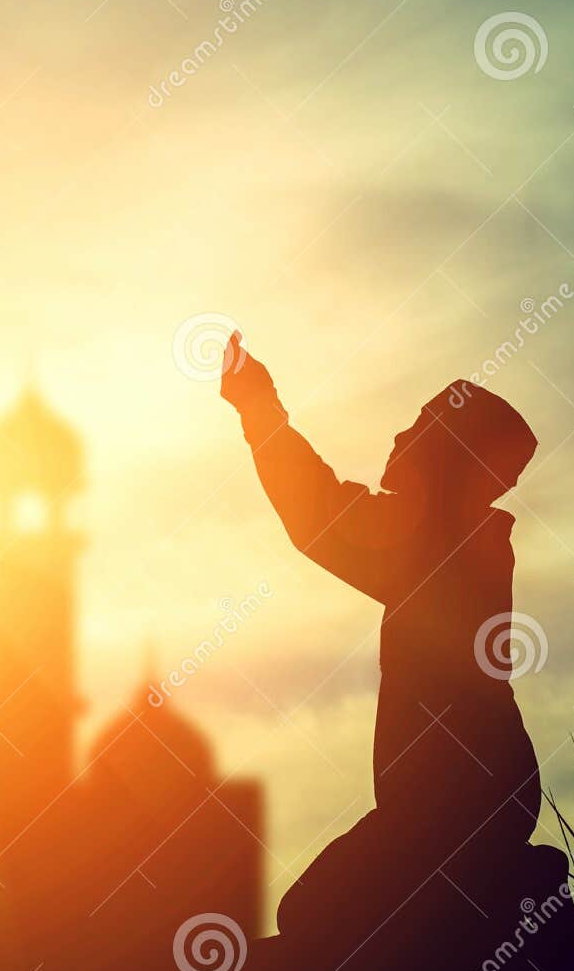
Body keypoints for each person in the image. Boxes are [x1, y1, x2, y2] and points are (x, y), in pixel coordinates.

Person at [219, 333, 556, 939]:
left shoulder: (440, 545)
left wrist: (258, 408)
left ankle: (509, 891)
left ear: (453, 457)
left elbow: (318, 513)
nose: (400, 437)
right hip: (464, 798)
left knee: (315, 917)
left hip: (453, 804)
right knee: (329, 912)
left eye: (421, 426)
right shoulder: (459, 541)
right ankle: (509, 885)